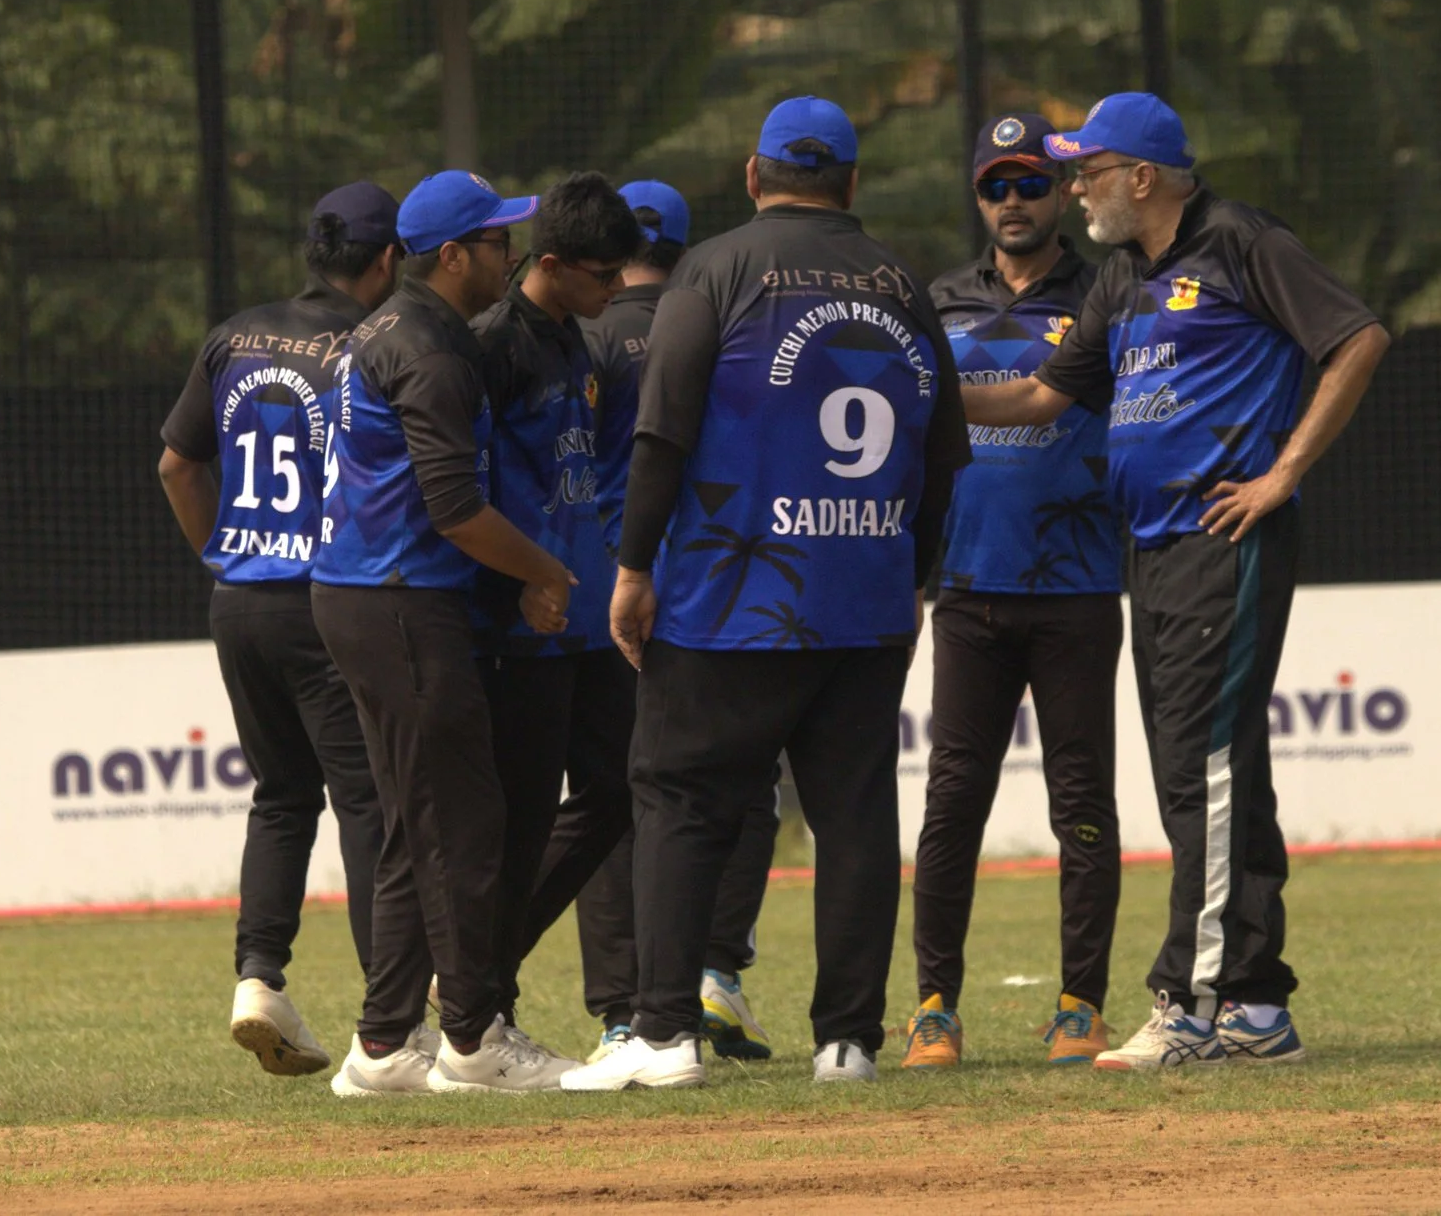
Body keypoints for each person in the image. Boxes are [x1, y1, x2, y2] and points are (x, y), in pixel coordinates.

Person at [960, 93, 1388, 1072]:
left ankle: (1188, 1001)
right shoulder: (1118, 277)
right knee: (1206, 770)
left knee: (1203, 767)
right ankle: (1252, 1003)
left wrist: (1282, 474)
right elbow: (1035, 396)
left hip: (1219, 541)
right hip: (1145, 551)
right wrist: (923, 392)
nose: (1074, 188)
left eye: (1087, 170)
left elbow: (1357, 337)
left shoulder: (1240, 241)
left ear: (1140, 176)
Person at [566, 97, 972, 1093]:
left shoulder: (715, 268)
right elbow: (946, 454)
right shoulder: (903, 285)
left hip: (729, 599)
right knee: (855, 817)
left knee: (678, 800)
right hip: (864, 599)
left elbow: (661, 431)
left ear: (753, 176)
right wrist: (909, 575)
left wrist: (631, 564)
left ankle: (663, 1033)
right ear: (853, 183)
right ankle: (848, 1040)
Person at [308, 171, 584, 1097]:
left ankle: (384, 1044)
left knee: (414, 822)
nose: (511, 253)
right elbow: (457, 508)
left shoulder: (380, 326)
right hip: (399, 601)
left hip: (361, 593)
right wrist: (544, 572)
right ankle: (471, 1039)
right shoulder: (433, 346)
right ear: (453, 254)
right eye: (498, 241)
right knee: (464, 822)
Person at [155, 182, 399, 1080]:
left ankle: (259, 979)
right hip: (324, 598)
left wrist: (224, 553)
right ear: (386, 262)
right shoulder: (366, 345)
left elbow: (177, 464)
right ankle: (392, 1015)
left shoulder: (232, 335)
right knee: (370, 800)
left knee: (282, 795)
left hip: (240, 600)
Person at [900, 118, 1124, 1072]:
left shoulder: (1108, 290)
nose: (1014, 202)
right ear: (980, 199)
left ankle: (1082, 1005)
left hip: (1076, 584)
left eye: (1032, 183)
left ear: (1058, 194)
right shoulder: (939, 298)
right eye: (998, 186)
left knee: (1082, 802)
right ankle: (933, 1010)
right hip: (966, 588)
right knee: (953, 801)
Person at [560, 181, 783, 1062]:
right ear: (686, 248)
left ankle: (624, 1009)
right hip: (711, 586)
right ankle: (715, 972)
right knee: (739, 782)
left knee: (615, 796)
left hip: (596, 595)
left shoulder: (581, 336)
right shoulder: (723, 324)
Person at [466, 173, 642, 1038]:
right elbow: (464, 494)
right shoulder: (490, 347)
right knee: (522, 817)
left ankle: (477, 971)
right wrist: (517, 584)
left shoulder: (579, 336)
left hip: (584, 612)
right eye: (604, 275)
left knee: (618, 786)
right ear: (554, 262)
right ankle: (483, 1003)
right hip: (518, 627)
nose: (618, 290)